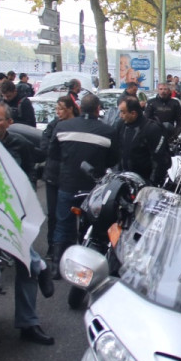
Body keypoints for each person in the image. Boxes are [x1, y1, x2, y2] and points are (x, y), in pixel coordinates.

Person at [0, 101, 55, 346]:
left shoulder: (20, 144)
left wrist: (26, 199)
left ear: (9, 122)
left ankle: (28, 323)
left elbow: (30, 174)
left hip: (10, 213)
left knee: (25, 265)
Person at [48, 93, 119, 261]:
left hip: (67, 183)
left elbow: (53, 154)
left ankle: (57, 263)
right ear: (98, 109)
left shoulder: (63, 127)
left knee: (63, 225)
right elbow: (114, 158)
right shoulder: (108, 131)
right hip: (93, 186)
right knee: (93, 226)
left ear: (80, 108)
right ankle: (87, 260)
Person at [40, 96, 76, 257]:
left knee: (71, 214)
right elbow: (45, 147)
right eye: (56, 109)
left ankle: (70, 245)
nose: (58, 112)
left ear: (69, 108)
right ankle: (53, 247)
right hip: (54, 175)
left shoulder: (77, 124)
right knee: (53, 214)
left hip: (72, 177)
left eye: (60, 109)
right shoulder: (53, 125)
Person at [115, 96, 166, 184]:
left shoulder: (151, 129)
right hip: (123, 179)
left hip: (144, 181)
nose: (120, 115)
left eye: (123, 112)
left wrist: (151, 183)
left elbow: (160, 160)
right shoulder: (121, 125)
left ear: (133, 113)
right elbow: (118, 150)